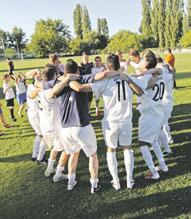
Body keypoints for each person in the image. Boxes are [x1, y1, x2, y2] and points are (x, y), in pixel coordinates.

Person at [53, 59, 108, 193]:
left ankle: (71, 182)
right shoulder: (81, 78)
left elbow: (52, 92)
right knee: (92, 155)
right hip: (81, 125)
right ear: (77, 70)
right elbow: (99, 76)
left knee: (73, 153)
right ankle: (94, 184)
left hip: (66, 127)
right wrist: (110, 72)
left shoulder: (59, 82)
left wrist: (66, 80)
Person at [136, 51, 168, 180]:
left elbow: (138, 89)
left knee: (142, 143)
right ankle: (163, 165)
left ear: (147, 63)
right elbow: (159, 71)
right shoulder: (161, 72)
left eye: (143, 59)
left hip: (149, 114)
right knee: (153, 140)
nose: (141, 61)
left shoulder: (144, 78)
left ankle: (153, 172)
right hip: (159, 113)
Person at [26, 70, 47, 163]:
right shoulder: (32, 87)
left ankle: (35, 156)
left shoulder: (34, 86)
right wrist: (38, 89)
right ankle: (40, 158)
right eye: (39, 76)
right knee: (44, 135)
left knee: (40, 135)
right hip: (35, 115)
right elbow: (32, 96)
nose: (41, 77)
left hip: (36, 114)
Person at [156, 55, 174, 155]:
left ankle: (168, 141)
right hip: (167, 101)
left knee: (162, 123)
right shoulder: (168, 74)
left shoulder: (161, 73)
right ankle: (161, 143)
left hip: (165, 102)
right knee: (162, 123)